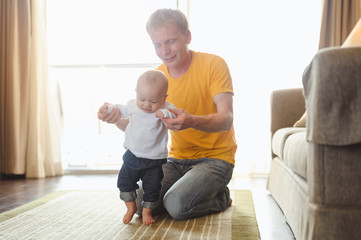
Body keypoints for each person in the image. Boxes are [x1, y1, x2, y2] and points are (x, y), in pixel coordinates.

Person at [98, 8, 237, 220]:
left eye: (171, 41)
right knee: (138, 201)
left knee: (177, 205)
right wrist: (116, 119)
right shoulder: (158, 78)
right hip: (175, 159)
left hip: (215, 159)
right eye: (157, 44)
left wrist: (191, 121)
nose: (165, 51)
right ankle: (185, 192)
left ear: (187, 37)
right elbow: (138, 125)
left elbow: (226, 119)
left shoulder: (213, 64)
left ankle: (221, 196)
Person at [98, 70, 175, 225]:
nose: (146, 105)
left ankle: (147, 211)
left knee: (152, 188)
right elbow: (118, 109)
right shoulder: (132, 105)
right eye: (142, 99)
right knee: (124, 182)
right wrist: (108, 108)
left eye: (153, 101)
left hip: (154, 160)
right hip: (132, 155)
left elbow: (174, 114)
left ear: (164, 98)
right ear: (136, 93)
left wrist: (164, 112)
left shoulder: (166, 108)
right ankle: (130, 207)